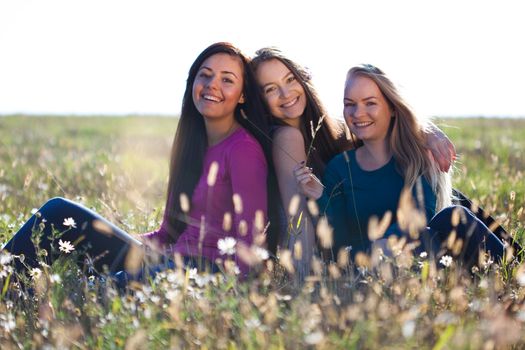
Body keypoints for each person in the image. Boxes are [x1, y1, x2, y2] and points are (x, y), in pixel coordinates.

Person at [3, 42, 279, 279]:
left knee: (97, 290)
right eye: (204, 75)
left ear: (243, 95)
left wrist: (227, 296)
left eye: (227, 80)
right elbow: (168, 233)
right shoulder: (191, 145)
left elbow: (251, 244)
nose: (212, 85)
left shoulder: (243, 150)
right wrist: (109, 237)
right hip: (165, 264)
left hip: (201, 276)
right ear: (192, 83)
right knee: (57, 212)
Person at [250, 48, 456, 274]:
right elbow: (299, 218)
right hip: (347, 254)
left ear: (302, 77)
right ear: (259, 99)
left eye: (290, 79)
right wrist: (303, 279)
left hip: (378, 243)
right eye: (270, 89)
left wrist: (427, 132)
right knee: (451, 219)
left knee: (455, 212)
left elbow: (384, 120)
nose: (285, 92)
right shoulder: (287, 138)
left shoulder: (334, 130)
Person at [295, 64, 505, 267]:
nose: (358, 113)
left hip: (420, 255)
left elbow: (420, 215)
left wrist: (388, 242)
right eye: (350, 104)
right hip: (369, 266)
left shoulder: (415, 157)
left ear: (393, 108)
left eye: (370, 103)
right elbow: (339, 239)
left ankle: (513, 274)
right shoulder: (339, 167)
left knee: (454, 216)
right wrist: (319, 196)